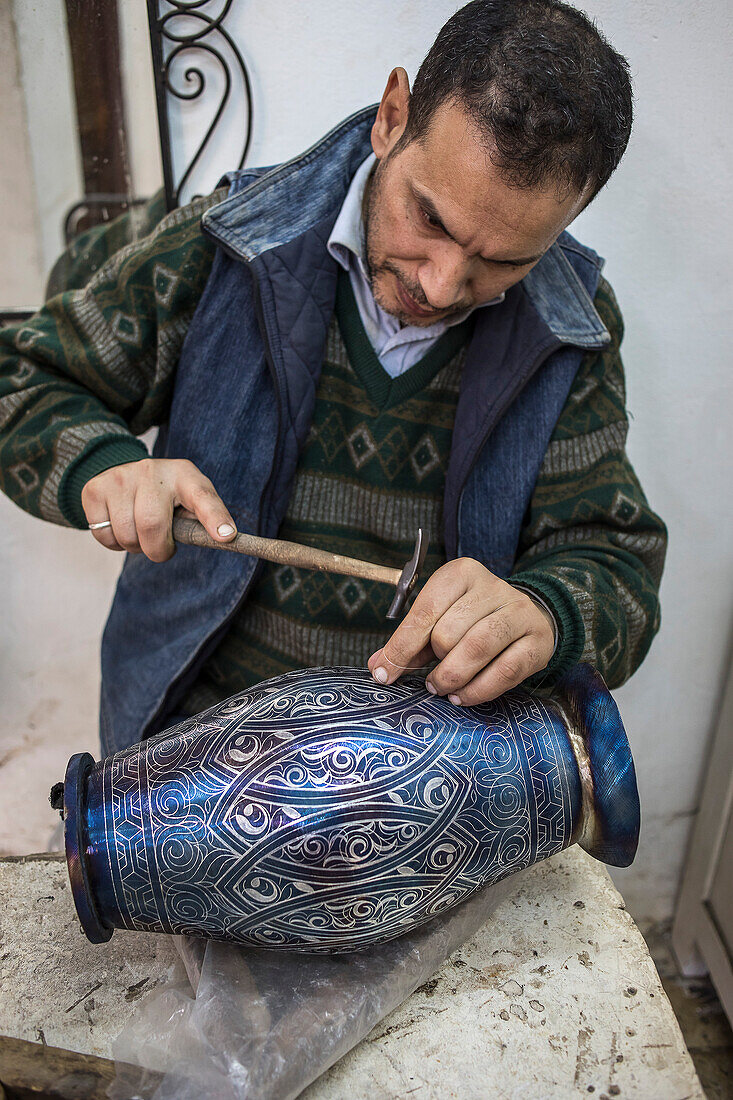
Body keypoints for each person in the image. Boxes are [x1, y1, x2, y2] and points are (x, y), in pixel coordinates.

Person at [0, 0, 667, 755]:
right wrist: (106, 467)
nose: (443, 285)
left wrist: (546, 613)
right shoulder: (232, 245)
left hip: (427, 772)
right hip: (192, 746)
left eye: (505, 260)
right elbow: (20, 376)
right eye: (432, 222)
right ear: (391, 117)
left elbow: (616, 567)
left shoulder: (569, 324)